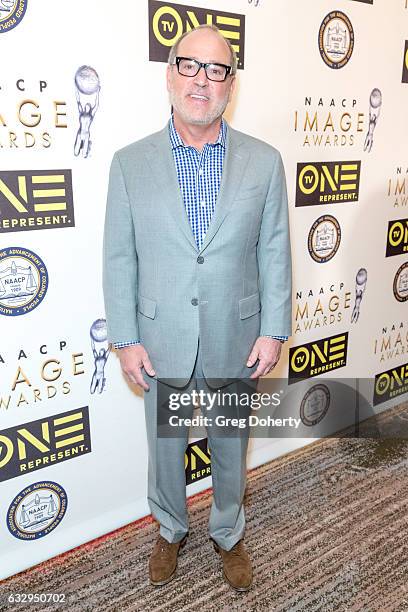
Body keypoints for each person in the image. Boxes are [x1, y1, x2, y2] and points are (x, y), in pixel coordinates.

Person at [102, 24, 292, 591]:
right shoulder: (129, 163)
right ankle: (169, 528)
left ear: (230, 85)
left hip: (237, 336)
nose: (202, 81)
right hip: (161, 341)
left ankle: (228, 533)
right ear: (169, 74)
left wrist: (275, 328)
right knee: (166, 448)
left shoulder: (265, 161)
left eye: (217, 70)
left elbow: (275, 250)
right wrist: (126, 338)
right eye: (190, 65)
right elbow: (119, 257)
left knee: (231, 446)